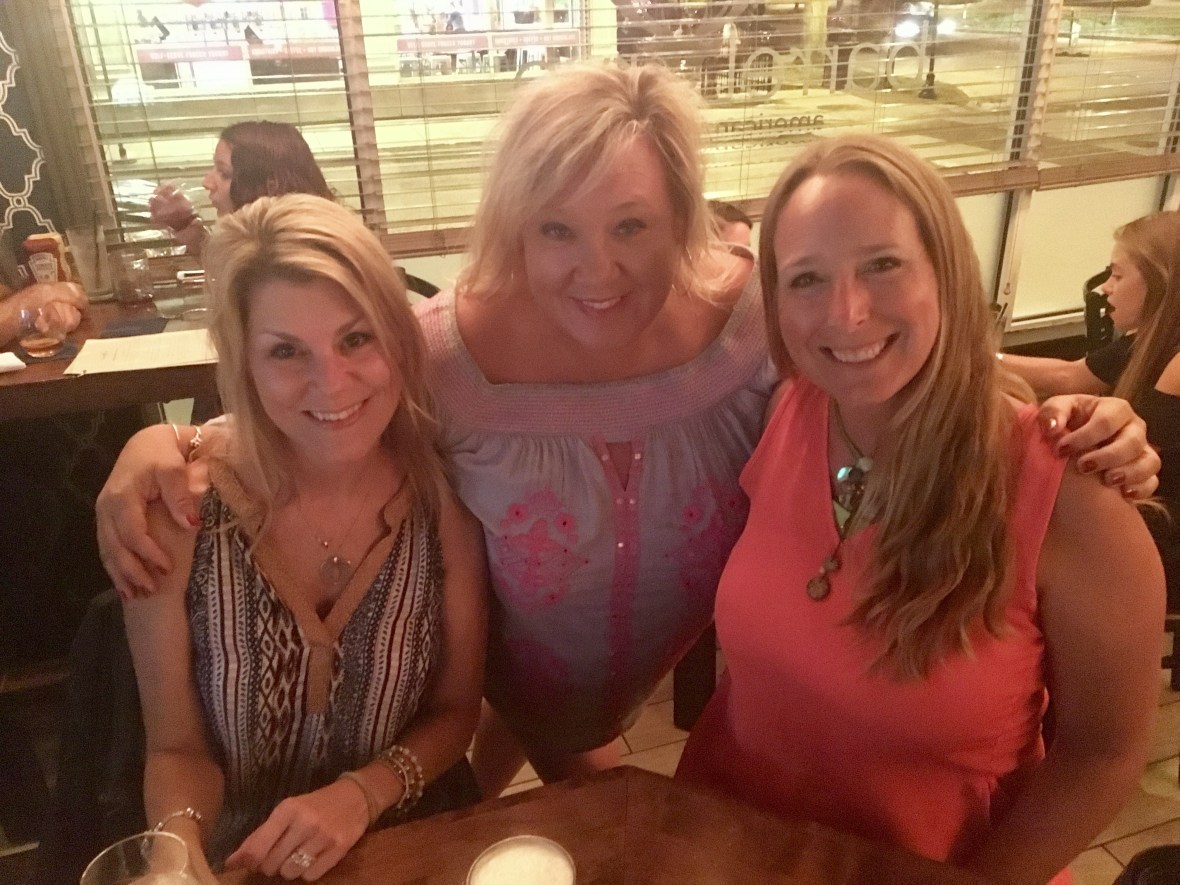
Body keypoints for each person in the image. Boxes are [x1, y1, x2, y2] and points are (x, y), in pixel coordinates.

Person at [97, 65, 1158, 802]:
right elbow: (324, 394)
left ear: (685, 216)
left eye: (632, 227)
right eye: (555, 229)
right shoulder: (445, 353)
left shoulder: (755, 324)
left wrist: (1085, 408)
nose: (595, 270)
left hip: (667, 709)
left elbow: (890, 357)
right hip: (479, 695)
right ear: (514, 225)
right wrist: (167, 450)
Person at [676, 134, 1163, 883]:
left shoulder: (1071, 494)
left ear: (947, 270)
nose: (846, 312)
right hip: (728, 850)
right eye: (806, 278)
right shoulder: (783, 414)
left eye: (882, 265)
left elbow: (1103, 751)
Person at [122, 194, 486, 883]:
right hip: (239, 862)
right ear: (245, 366)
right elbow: (176, 748)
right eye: (286, 351)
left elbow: (454, 712)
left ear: (398, 342)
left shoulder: (443, 504)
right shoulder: (180, 511)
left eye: (356, 339)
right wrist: (175, 849)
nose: (331, 382)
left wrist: (362, 794)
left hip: (406, 845)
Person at [1001, 211, 1180, 610]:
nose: (1106, 289)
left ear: (1159, 283)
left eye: (1117, 275)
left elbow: (1137, 468)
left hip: (1164, 538)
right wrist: (978, 358)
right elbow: (1071, 376)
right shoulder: (1146, 341)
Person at [148, 121, 333, 259]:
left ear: (271, 185)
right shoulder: (267, 245)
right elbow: (225, 272)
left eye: (224, 173)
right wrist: (185, 226)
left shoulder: (294, 255)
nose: (207, 182)